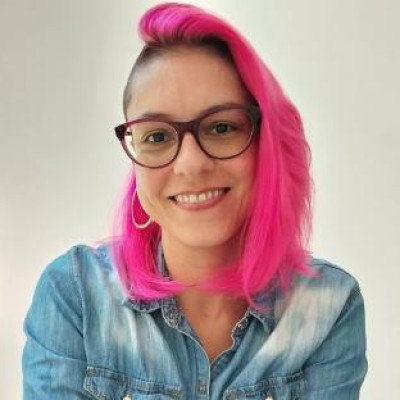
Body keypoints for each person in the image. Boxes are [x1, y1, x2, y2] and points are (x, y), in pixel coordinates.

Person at [22, 3, 368, 399]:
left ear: (267, 144)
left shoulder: (328, 307)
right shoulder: (75, 296)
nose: (191, 164)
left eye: (221, 127)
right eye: (157, 136)